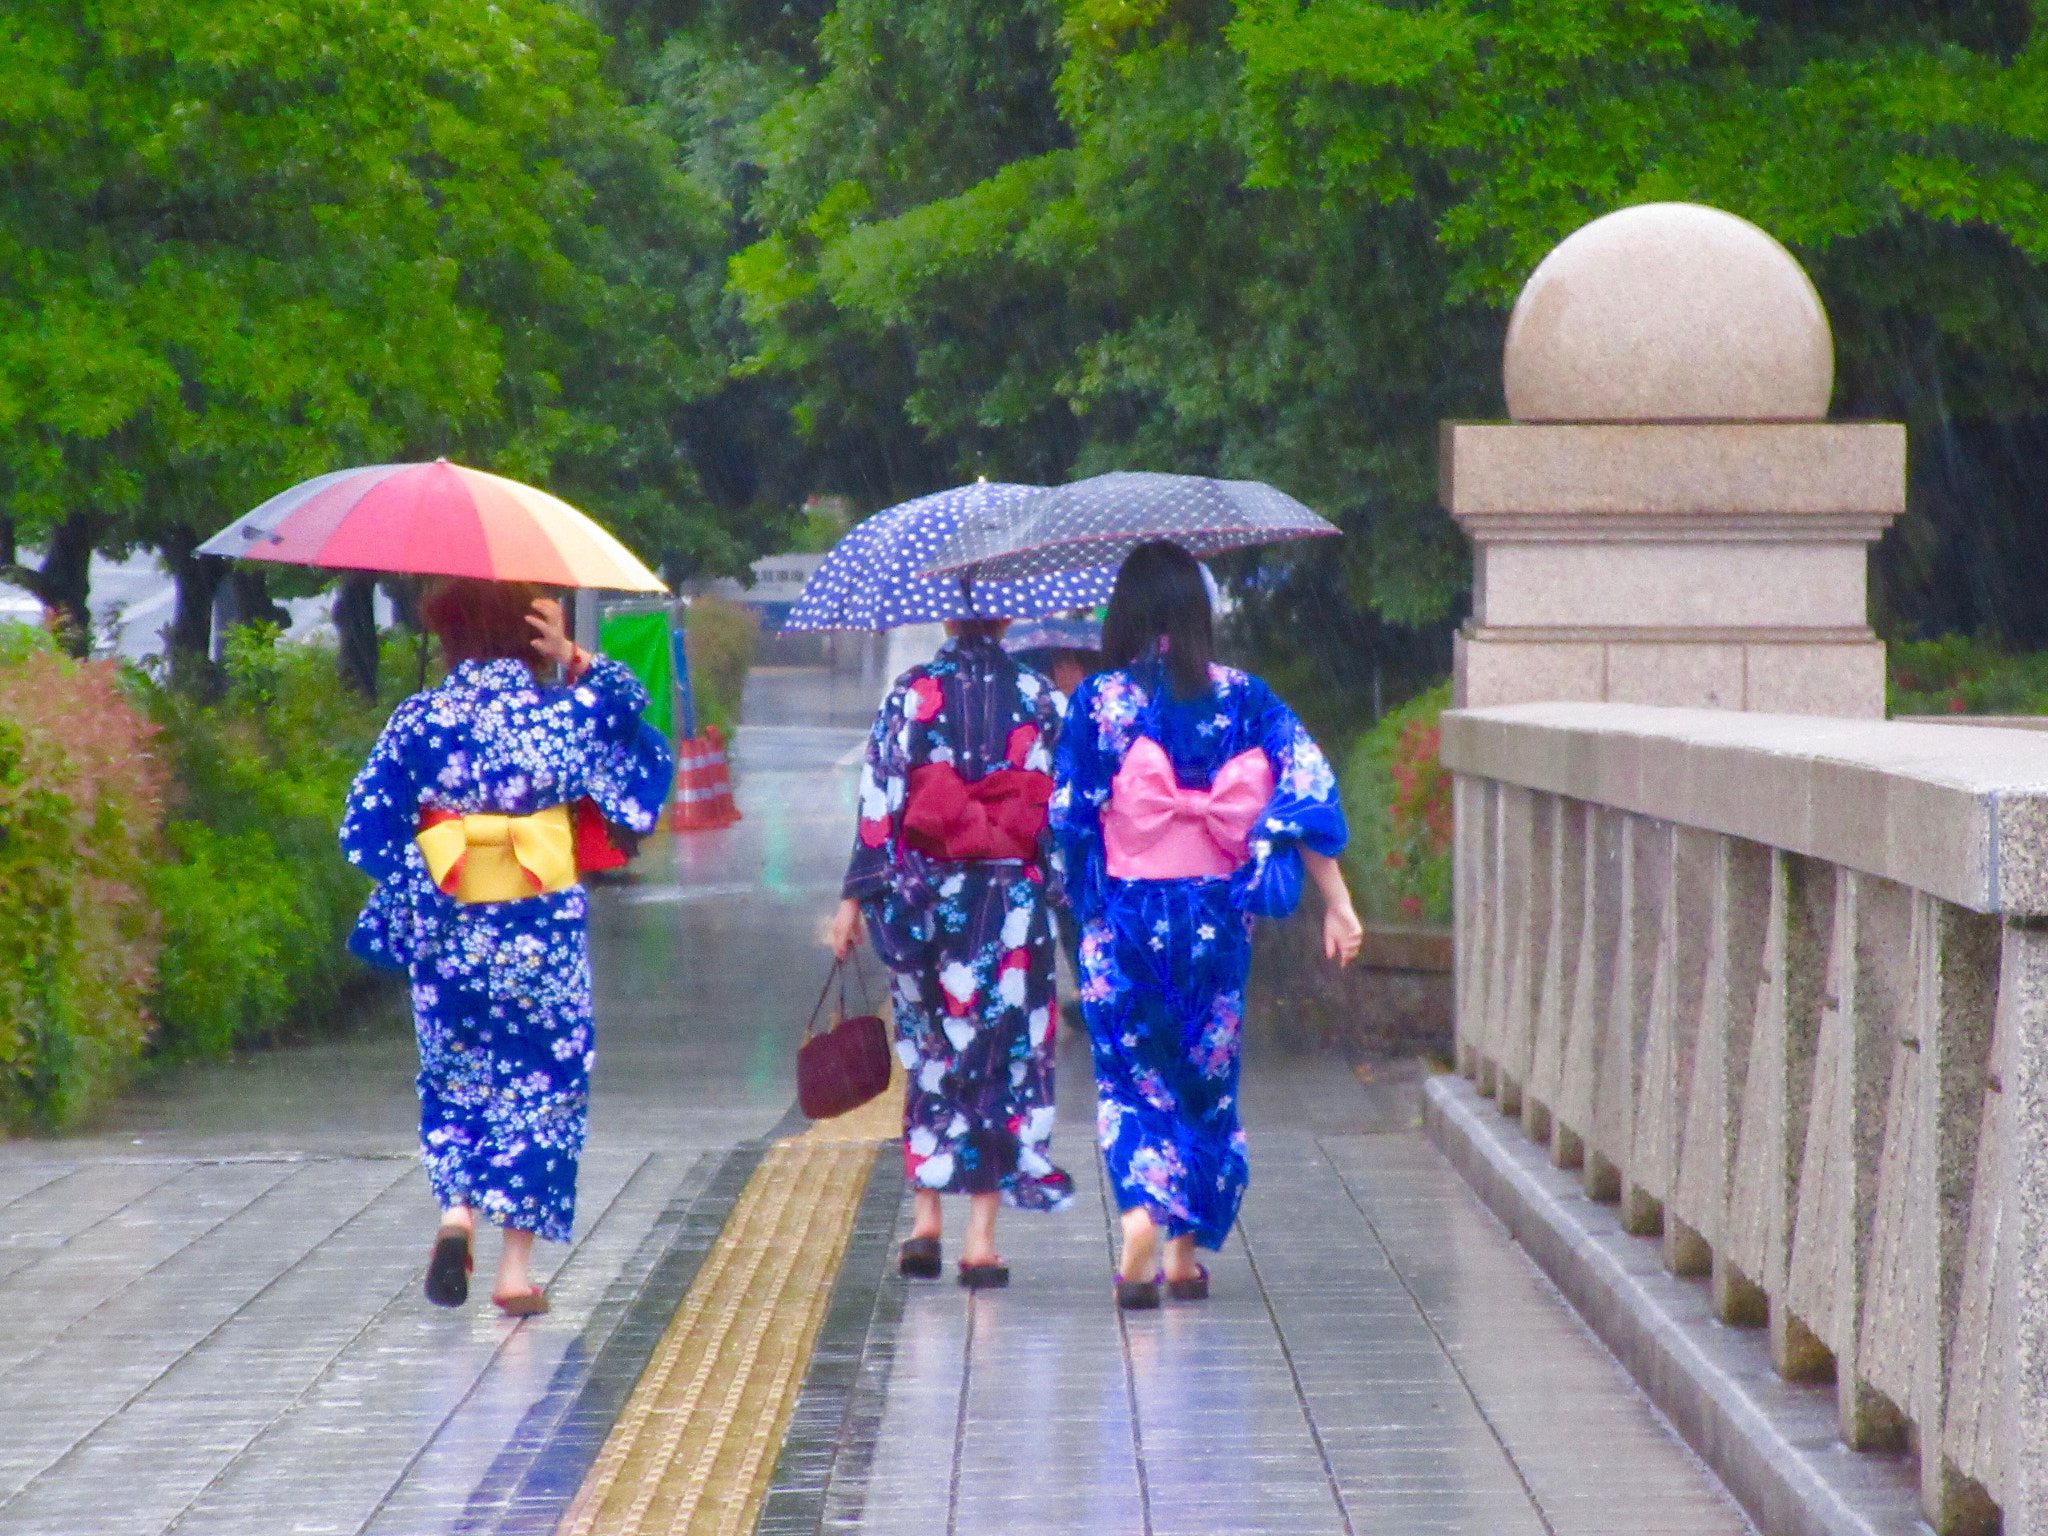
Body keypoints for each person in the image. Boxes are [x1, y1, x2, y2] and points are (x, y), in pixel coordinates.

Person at [340, 578, 672, 1315]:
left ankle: (455, 1211)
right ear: (531, 637)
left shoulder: (420, 717)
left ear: (450, 636)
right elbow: (634, 719)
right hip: (539, 926)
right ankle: (513, 1272)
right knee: (542, 1084)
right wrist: (575, 655)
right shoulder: (561, 714)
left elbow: (361, 825)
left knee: (455, 1075)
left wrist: (423, 878)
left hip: (450, 923)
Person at [1052, 541, 1362, 1309]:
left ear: (1123, 613)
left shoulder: (1099, 700)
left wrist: (1088, 905)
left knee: (1131, 1079)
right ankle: (1183, 1257)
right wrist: (1339, 901)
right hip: (1217, 919)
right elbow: (1306, 785)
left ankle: (1137, 1219)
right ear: (1200, 613)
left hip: (1127, 915)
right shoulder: (1246, 697)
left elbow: (1067, 818)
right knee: (1205, 1081)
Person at [828, 618, 1073, 1287]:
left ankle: (925, 1221)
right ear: (1005, 619)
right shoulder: (1039, 695)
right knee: (999, 1056)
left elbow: (878, 804)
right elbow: (1062, 811)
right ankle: (981, 1240)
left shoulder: (911, 692)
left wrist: (854, 901)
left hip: (922, 899)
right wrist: (1057, 887)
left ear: (946, 618)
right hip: (1007, 903)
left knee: (930, 1050)